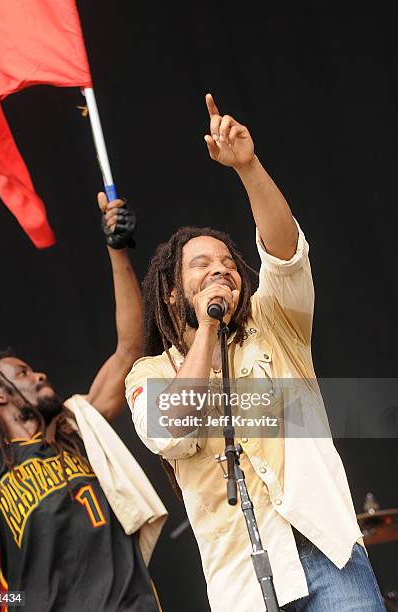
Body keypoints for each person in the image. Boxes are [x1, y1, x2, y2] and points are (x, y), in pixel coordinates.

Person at [125, 94, 386, 611]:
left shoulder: (274, 323)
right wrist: (207, 326)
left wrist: (248, 167)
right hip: (244, 582)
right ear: (173, 293)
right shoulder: (151, 373)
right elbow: (167, 429)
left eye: (226, 261)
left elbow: (287, 255)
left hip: (327, 551)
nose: (220, 269)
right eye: (201, 265)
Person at [0, 193, 167, 612]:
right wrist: (12, 601)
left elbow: (130, 348)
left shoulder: (76, 427)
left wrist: (117, 250)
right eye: (21, 374)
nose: (38, 375)